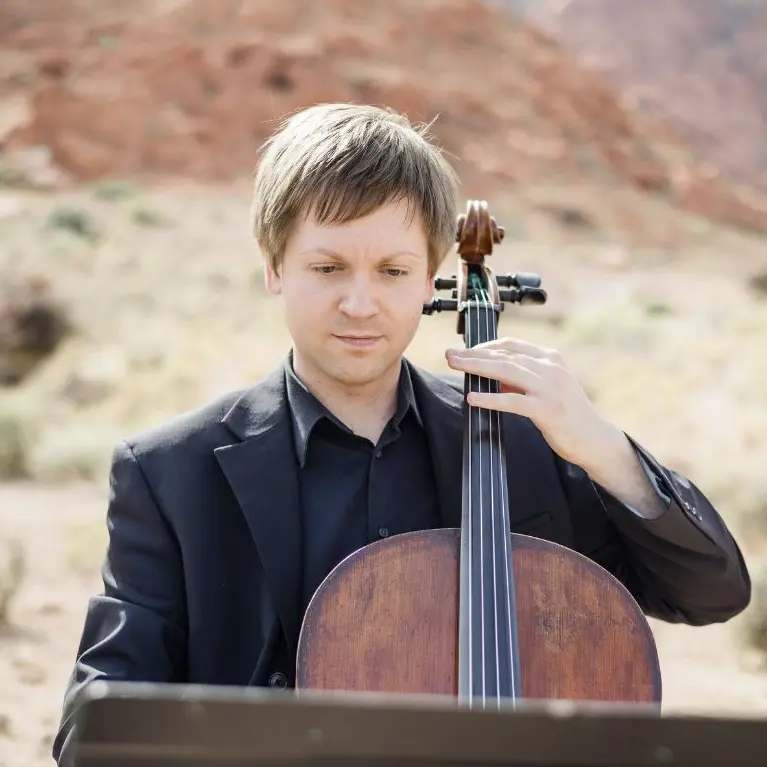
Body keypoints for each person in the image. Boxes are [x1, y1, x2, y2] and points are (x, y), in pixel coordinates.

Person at [52, 103, 750, 764]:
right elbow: (97, 725)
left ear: (431, 279)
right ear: (273, 267)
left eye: (392, 271)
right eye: (327, 268)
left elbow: (709, 592)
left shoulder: (521, 441)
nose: (360, 303)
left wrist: (602, 448)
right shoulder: (172, 472)